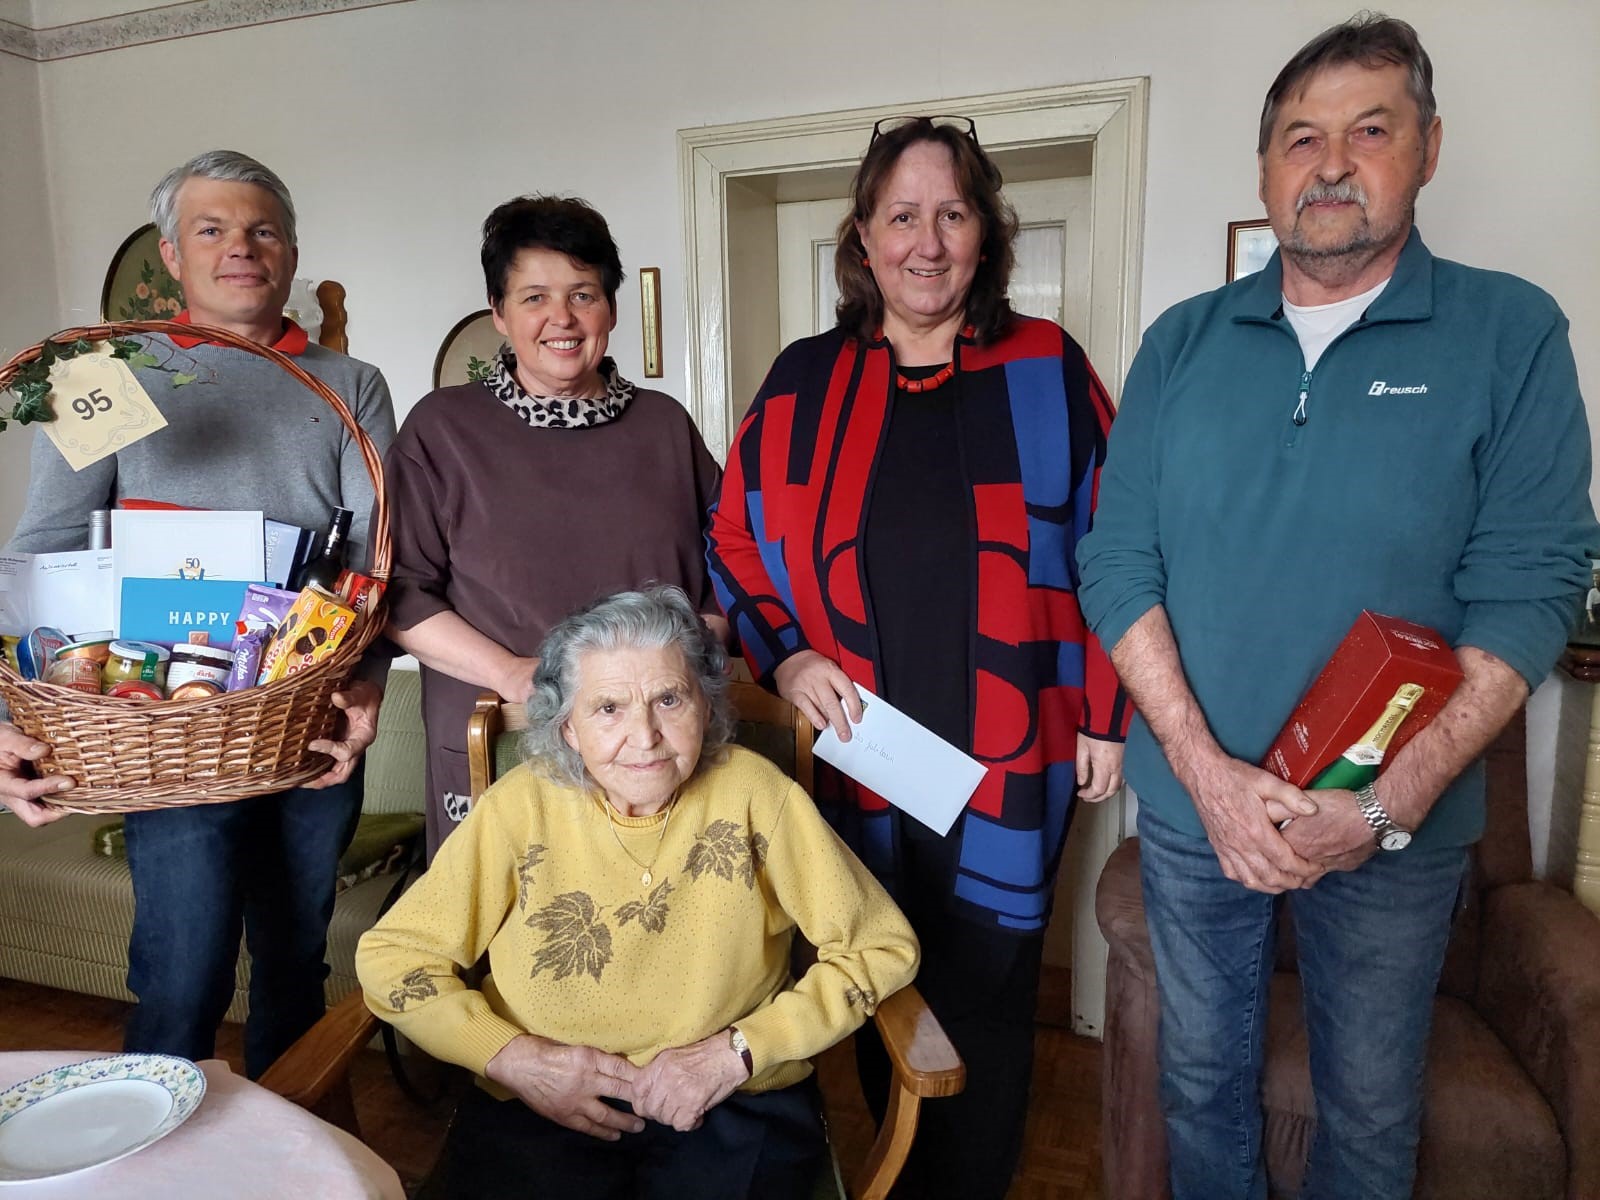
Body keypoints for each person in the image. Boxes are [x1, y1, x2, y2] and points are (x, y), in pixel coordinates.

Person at [1075, 15, 1598, 1200]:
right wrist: (1205, 775)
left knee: (1369, 1109)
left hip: (1393, 828)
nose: (1330, 162)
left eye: (1370, 130)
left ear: (1427, 148)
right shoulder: (1182, 343)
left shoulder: (1509, 333)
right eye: (1299, 137)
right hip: (1194, 814)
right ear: (1263, 171)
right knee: (1200, 1087)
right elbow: (1117, 562)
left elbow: (1530, 583)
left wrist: (1389, 797)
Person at [705, 115, 1128, 1199]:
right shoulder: (805, 381)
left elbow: (1116, 544)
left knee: (987, 993)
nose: (926, 241)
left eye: (952, 213)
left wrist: (1102, 714)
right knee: (865, 974)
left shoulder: (1046, 370)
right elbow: (735, 540)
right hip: (857, 758)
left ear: (986, 234)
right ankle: (893, 1175)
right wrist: (786, 656)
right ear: (862, 238)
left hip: (1012, 758)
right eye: (902, 216)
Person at [0, 150, 397, 1078]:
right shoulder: (105, 377)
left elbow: (376, 563)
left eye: (262, 230)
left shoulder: (349, 379)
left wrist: (368, 692)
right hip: (158, 727)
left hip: (305, 718)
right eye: (211, 230)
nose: (240, 249)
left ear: (292, 252)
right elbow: (42, 554)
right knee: (181, 977)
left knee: (298, 968)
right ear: (170, 256)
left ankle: (298, 1159)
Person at [356, 586, 918, 1200]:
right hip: (545, 1095)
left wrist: (742, 1051)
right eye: (607, 709)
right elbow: (395, 958)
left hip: (731, 1094)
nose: (645, 736)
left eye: (669, 699)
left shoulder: (758, 795)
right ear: (567, 728)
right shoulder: (521, 805)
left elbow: (880, 947)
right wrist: (511, 1057)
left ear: (705, 705)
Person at [381, 195, 724, 857]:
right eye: (534, 296)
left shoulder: (663, 427)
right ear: (500, 314)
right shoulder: (442, 429)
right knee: (504, 935)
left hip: (654, 747)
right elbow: (397, 590)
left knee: (666, 926)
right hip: (500, 736)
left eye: (583, 294)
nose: (561, 319)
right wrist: (512, 672)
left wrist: (689, 659)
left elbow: (730, 567)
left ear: (612, 309)